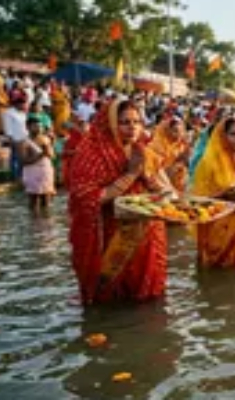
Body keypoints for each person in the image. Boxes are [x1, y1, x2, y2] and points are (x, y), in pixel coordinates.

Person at [68, 99, 170, 304]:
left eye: (136, 121)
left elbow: (167, 192)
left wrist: (151, 182)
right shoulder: (91, 155)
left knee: (147, 295)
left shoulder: (144, 152)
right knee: (112, 296)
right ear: (111, 124)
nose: (132, 127)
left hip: (146, 230)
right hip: (111, 233)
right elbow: (88, 199)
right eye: (125, 122)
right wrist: (131, 175)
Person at [191, 117, 235, 269]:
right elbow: (198, 199)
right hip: (219, 224)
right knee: (218, 270)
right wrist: (226, 193)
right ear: (223, 136)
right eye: (233, 134)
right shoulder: (209, 162)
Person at [20, 118, 56, 214]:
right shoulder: (25, 142)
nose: (38, 128)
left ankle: (45, 223)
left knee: (46, 199)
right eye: (35, 126)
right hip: (32, 172)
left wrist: (50, 145)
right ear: (27, 127)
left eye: (40, 126)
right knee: (34, 200)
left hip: (46, 171)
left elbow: (52, 156)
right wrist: (41, 154)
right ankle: (34, 222)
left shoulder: (46, 139)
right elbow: (24, 161)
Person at [146, 116, 190, 193]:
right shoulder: (155, 146)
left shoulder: (181, 146)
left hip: (177, 186)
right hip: (160, 186)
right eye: (175, 131)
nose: (179, 134)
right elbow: (156, 173)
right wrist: (177, 162)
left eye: (181, 131)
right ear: (166, 130)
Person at [2, 96, 30, 179]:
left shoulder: (23, 113)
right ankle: (15, 176)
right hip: (15, 139)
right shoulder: (9, 113)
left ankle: (22, 175)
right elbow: (8, 127)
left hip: (24, 138)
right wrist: (10, 139)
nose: (25, 107)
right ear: (18, 104)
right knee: (15, 158)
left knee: (22, 158)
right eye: (24, 105)